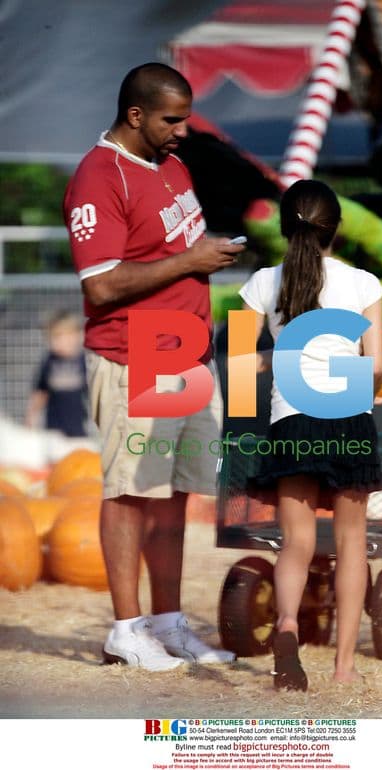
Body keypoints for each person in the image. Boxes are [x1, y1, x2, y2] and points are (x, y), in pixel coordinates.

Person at [63, 62, 244, 672]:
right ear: (136, 114)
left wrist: (202, 257)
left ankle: (167, 623)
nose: (182, 131)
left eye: (186, 118)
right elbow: (104, 285)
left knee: (173, 496)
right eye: (172, 119)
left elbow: (169, 252)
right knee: (130, 492)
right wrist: (191, 259)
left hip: (185, 348)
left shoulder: (173, 165)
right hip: (133, 352)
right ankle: (125, 628)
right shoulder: (98, 176)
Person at [239, 179, 382, 690]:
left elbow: (240, 367)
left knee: (296, 543)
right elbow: (376, 365)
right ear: (337, 229)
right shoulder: (364, 284)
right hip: (347, 416)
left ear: (284, 228)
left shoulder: (262, 282)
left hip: (291, 420)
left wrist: (274, 361)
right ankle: (344, 667)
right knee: (351, 543)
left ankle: (285, 625)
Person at [25, 310, 88, 437]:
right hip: (53, 429)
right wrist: (30, 417)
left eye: (66, 336)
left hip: (79, 427)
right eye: (55, 337)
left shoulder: (84, 362)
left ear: (77, 336)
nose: (60, 342)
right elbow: (40, 393)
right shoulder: (49, 362)